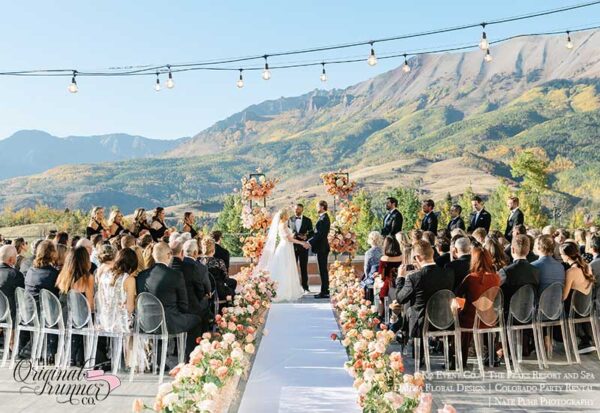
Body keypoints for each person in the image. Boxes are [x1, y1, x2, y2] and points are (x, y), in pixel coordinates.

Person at [136, 242, 202, 361]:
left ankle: (158, 359)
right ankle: (189, 359)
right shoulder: (175, 275)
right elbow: (183, 306)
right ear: (168, 255)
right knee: (196, 320)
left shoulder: (141, 276)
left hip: (145, 323)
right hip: (169, 323)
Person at [395, 240, 454, 363]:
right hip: (445, 320)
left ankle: (417, 354)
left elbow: (400, 298)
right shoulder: (448, 273)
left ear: (417, 257)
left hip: (421, 324)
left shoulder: (414, 277)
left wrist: (400, 278)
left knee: (410, 308)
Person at [455, 246, 501, 369]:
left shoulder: (471, 278)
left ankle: (461, 359)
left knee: (461, 317)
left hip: (470, 320)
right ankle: (492, 356)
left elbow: (458, 295)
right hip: (489, 319)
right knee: (481, 314)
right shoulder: (496, 278)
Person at [256, 208, 306, 302]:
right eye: (287, 214)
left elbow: (289, 237)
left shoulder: (283, 224)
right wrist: (302, 243)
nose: (288, 215)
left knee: (286, 268)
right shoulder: (283, 225)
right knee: (285, 268)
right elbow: (289, 239)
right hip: (285, 248)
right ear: (284, 216)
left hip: (287, 247)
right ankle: (282, 291)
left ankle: (285, 289)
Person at [560, 242, 596, 353]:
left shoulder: (571, 271)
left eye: (561, 254)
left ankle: (581, 339)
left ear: (567, 256)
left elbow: (564, 297)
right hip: (586, 309)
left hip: (574, 311)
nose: (561, 257)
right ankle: (586, 339)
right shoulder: (587, 266)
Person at [499, 234, 540, 314]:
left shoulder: (505, 271)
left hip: (509, 315)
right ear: (528, 250)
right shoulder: (536, 271)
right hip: (529, 315)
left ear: (512, 250)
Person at [304, 200, 331, 299]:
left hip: (322, 248)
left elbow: (320, 234)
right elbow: (316, 233)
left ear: (322, 207)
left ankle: (325, 292)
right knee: (322, 270)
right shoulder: (322, 218)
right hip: (320, 248)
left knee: (323, 270)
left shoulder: (324, 219)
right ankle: (324, 290)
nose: (316, 208)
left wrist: (309, 243)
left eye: (317, 206)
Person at [199, 237, 236, 302]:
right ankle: (225, 306)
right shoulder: (219, 262)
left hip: (203, 291)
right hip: (218, 291)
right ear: (213, 250)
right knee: (233, 287)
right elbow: (226, 278)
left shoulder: (198, 262)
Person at [288, 204, 313, 293]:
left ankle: (305, 287)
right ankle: (292, 287)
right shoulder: (290, 220)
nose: (296, 210)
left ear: (302, 209)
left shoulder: (308, 220)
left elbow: (311, 232)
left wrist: (306, 237)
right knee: (292, 268)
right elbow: (287, 232)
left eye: (298, 209)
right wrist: (293, 235)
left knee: (303, 267)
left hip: (303, 247)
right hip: (292, 247)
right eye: (295, 209)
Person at [377, 236, 403, 314]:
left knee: (381, 295)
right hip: (400, 283)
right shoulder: (402, 257)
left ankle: (380, 316)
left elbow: (382, 276)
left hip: (389, 285)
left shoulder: (384, 259)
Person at [0, 245, 25, 320]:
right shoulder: (15, 275)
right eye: (15, 256)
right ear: (11, 259)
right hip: (9, 317)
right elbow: (22, 298)